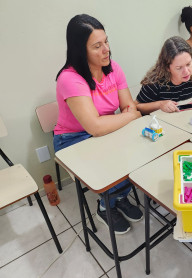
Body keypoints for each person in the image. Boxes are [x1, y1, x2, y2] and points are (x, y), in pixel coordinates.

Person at [54, 14, 143, 235]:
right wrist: (130, 116)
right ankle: (105, 207)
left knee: (138, 153)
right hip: (73, 139)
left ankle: (118, 198)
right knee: (113, 165)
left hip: (107, 129)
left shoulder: (113, 68)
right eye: (97, 46)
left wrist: (127, 115)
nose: (106, 50)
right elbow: (94, 126)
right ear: (80, 50)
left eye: (106, 42)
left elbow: (128, 106)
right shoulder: (69, 78)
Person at [135, 36, 192, 115]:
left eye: (188, 64)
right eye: (179, 68)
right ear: (167, 67)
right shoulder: (154, 82)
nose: (186, 72)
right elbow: (138, 106)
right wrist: (160, 104)